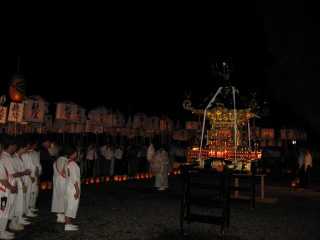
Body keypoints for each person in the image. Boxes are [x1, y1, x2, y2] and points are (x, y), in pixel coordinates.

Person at [0, 135, 18, 239]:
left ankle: (2, 231)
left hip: (3, 190)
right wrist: (11, 188)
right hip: (2, 191)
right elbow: (3, 178)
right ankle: (1, 232)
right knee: (3, 211)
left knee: (3, 210)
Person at [11, 138, 32, 228]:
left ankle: (19, 218)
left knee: (21, 201)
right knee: (16, 203)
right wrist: (24, 173)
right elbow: (15, 172)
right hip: (17, 182)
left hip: (22, 181)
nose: (26, 150)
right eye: (24, 148)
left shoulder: (20, 157)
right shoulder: (14, 158)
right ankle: (14, 221)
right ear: (20, 148)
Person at [64, 146, 81, 231]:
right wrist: (77, 190)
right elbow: (74, 178)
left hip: (69, 186)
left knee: (70, 205)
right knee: (71, 206)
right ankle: (67, 225)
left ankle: (69, 223)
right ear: (73, 153)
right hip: (73, 187)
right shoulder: (72, 164)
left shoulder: (67, 162)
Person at [51, 148, 68, 223]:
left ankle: (59, 215)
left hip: (57, 181)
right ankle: (61, 215)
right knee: (63, 198)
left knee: (58, 197)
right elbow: (64, 172)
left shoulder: (56, 160)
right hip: (63, 181)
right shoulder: (65, 160)